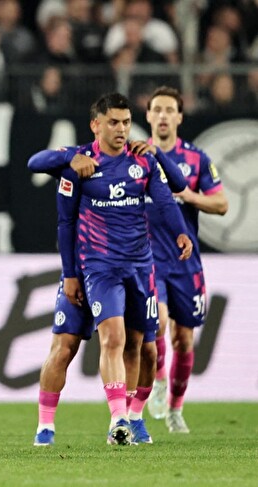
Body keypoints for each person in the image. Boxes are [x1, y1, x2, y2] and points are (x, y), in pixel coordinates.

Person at [27, 104, 188, 446]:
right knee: (67, 347)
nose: (121, 129)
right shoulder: (80, 162)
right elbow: (37, 168)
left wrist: (180, 232)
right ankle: (46, 426)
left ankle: (133, 417)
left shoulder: (141, 160)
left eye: (126, 122)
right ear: (95, 125)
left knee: (144, 349)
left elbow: (171, 193)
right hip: (91, 268)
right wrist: (70, 273)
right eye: (113, 122)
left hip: (137, 268)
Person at [144, 86, 228, 433]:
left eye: (169, 110)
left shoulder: (196, 159)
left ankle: (176, 409)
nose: (163, 115)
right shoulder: (137, 157)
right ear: (148, 116)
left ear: (179, 117)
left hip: (185, 260)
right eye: (157, 109)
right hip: (149, 258)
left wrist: (190, 196)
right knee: (158, 323)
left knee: (184, 339)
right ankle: (158, 380)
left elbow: (221, 204)